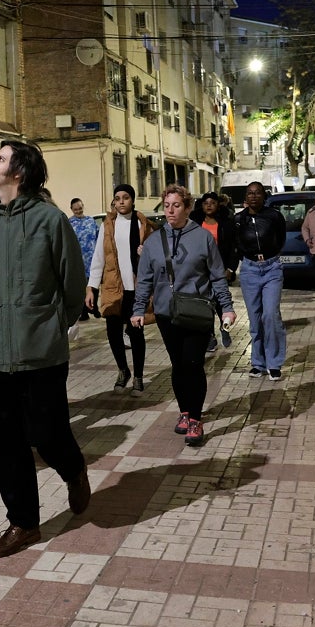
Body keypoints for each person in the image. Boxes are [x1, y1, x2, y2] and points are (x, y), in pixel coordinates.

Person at [0, 140, 90, 558]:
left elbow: (72, 283)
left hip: (41, 353)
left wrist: (53, 323)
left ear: (19, 172)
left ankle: (74, 469)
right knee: (4, 442)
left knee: (47, 432)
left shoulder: (49, 221)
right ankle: (23, 523)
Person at [131, 184, 236, 447]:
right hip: (167, 313)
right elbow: (144, 279)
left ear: (188, 208)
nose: (170, 211)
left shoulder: (202, 238)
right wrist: (138, 309)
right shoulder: (154, 241)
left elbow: (217, 276)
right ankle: (185, 411)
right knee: (178, 365)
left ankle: (196, 419)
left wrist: (227, 307)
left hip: (197, 311)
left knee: (193, 363)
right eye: (166, 206)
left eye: (176, 205)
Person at [85, 184, 155, 395]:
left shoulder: (145, 225)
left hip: (136, 289)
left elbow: (157, 259)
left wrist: (146, 254)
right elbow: (99, 258)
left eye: (126, 197)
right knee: (113, 334)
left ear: (132, 200)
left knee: (136, 334)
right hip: (114, 288)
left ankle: (139, 376)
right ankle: (123, 370)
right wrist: (91, 287)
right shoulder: (107, 226)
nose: (121, 201)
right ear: (114, 202)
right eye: (117, 198)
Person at [231, 181, 288, 380]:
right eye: (249, 193)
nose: (253, 196)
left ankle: (274, 364)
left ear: (264, 196)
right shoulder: (239, 219)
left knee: (271, 315)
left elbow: (281, 238)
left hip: (272, 268)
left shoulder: (274, 216)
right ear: (245, 197)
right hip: (249, 270)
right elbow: (235, 243)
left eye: (257, 193)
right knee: (255, 318)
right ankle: (258, 363)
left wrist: (270, 255)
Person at [190, 191, 238, 352]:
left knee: (219, 300)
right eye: (206, 203)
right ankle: (209, 336)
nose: (209, 205)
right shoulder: (195, 222)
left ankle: (224, 326)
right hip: (200, 270)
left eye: (212, 202)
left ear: (218, 205)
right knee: (205, 303)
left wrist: (230, 268)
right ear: (201, 205)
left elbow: (233, 247)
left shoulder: (226, 222)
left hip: (220, 269)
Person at [68, 198, 99, 321]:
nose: (78, 211)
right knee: (81, 287)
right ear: (72, 210)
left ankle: (94, 308)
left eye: (80, 208)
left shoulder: (91, 221)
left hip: (92, 259)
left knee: (93, 285)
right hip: (78, 260)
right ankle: (84, 311)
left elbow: (97, 237)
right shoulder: (69, 223)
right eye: (75, 209)